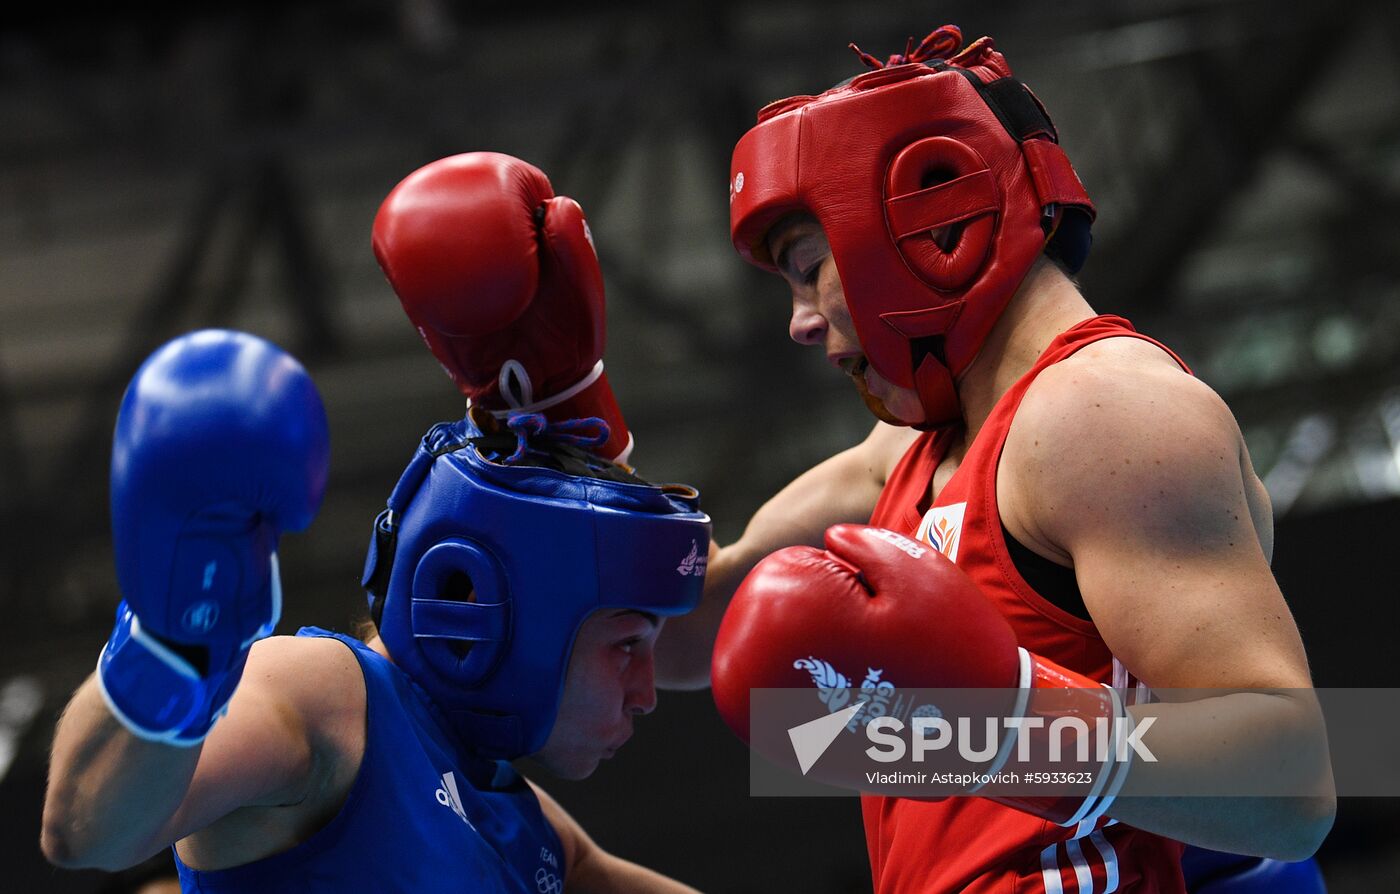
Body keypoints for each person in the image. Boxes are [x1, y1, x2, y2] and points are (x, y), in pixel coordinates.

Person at [656, 24, 1335, 893]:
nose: (799, 322)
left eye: (809, 267)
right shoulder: (905, 454)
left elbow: (1290, 785)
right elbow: (682, 633)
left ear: (926, 226)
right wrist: (556, 412)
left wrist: (997, 721)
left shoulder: (1108, 412)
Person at [40, 327, 710, 893]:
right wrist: (178, 639)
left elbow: (736, 643)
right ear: (503, 615)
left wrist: (815, 720)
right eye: (627, 646)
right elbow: (86, 826)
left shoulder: (524, 825)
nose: (648, 694)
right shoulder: (329, 696)